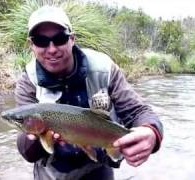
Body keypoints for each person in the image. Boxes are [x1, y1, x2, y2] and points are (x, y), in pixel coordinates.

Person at [15, 5, 163, 180]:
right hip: (52, 174)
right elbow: (27, 154)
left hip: (99, 169)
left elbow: (139, 111)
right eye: (41, 41)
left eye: (60, 38)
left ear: (72, 39)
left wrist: (152, 133)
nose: (52, 49)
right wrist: (37, 138)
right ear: (32, 45)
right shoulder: (28, 82)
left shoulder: (104, 68)